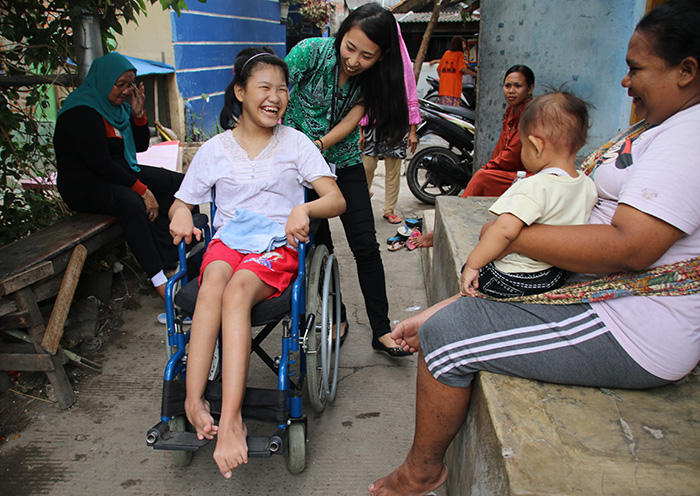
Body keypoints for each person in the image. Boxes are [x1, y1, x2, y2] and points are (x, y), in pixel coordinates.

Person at [369, 1, 700, 494]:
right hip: (594, 292)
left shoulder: (688, 137)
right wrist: (444, 304)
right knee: (447, 318)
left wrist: (506, 233)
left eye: (636, 69)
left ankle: (422, 471)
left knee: (448, 340)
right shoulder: (662, 126)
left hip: (633, 323)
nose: (626, 82)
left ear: (687, 71)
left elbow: (631, 247)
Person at [168, 47, 345, 479]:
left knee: (237, 290)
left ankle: (230, 418)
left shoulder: (296, 143)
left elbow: (335, 199)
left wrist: (304, 210)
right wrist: (180, 219)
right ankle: (194, 399)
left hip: (274, 248)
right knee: (212, 279)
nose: (275, 97)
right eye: (265, 87)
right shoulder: (215, 149)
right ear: (241, 92)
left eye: (282, 89)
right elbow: (181, 203)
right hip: (229, 241)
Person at [284, 2, 413, 357]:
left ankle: (382, 330)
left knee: (366, 246)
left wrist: (321, 144)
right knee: (319, 247)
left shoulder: (375, 80)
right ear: (341, 36)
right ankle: (336, 314)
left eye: (367, 55)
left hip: (342, 160)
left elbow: (354, 118)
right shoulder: (310, 52)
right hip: (298, 167)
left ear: (383, 55)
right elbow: (277, 87)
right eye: (350, 47)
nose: (354, 60)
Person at [54, 52, 184, 300]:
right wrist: (142, 189)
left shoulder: (118, 109)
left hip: (116, 172)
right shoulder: (81, 111)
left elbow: (139, 146)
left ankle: (173, 258)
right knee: (130, 201)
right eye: (120, 84)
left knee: (177, 183)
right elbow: (99, 163)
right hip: (83, 183)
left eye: (130, 84)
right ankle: (158, 280)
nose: (126, 91)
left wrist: (137, 116)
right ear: (104, 81)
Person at [461, 91, 597, 298]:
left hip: (519, 279)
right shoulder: (587, 184)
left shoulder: (534, 185)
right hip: (556, 275)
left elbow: (504, 231)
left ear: (536, 146)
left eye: (523, 145)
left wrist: (472, 264)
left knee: (472, 272)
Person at [413, 64, 535, 248]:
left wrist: (489, 169)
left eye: (518, 86)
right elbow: (502, 147)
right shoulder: (511, 111)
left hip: (529, 175)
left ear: (530, 88)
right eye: (507, 86)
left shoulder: (530, 115)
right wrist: (491, 166)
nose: (511, 91)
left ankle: (437, 232)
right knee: (483, 175)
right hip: (514, 172)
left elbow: (513, 154)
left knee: (482, 177)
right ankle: (441, 227)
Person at [360, 21, 421, 225]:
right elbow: (363, 97)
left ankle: (389, 209)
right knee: (366, 166)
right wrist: (360, 129)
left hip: (397, 123)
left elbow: (411, 94)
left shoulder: (404, 63)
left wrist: (412, 130)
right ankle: (362, 202)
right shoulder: (371, 58)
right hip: (372, 123)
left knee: (393, 169)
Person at [435, 36, 475, 106]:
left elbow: (438, 69)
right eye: (462, 43)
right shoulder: (459, 55)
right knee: (454, 111)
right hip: (454, 90)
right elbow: (463, 69)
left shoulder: (446, 53)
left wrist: (444, 79)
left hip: (443, 89)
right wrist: (475, 74)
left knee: (445, 111)